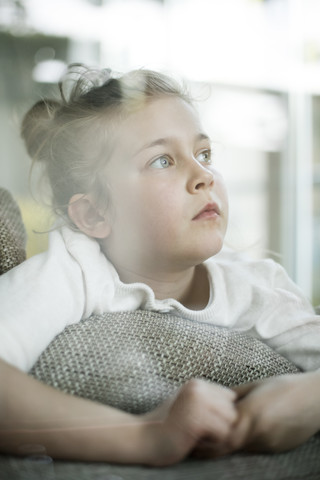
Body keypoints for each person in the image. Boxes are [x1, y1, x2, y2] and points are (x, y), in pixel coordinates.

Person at [0, 64, 320, 465]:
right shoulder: (73, 270)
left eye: (204, 153)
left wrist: (308, 398)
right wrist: (145, 437)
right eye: (162, 161)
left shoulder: (259, 287)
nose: (203, 174)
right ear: (95, 215)